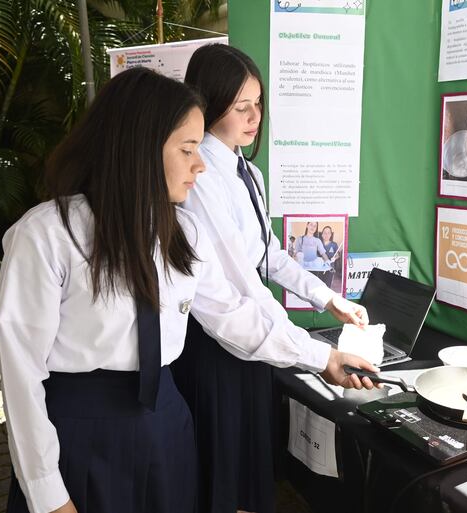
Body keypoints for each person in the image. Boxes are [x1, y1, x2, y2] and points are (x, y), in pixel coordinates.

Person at [0, 67, 377, 513]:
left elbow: (232, 314)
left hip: (166, 424)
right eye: (187, 149)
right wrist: (47, 494)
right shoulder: (46, 236)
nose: (200, 164)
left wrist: (324, 358)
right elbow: (20, 377)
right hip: (81, 434)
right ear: (138, 149)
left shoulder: (183, 232)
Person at [173, 44, 370, 513]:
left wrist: (328, 299)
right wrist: (317, 354)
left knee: (248, 473)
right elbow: (230, 293)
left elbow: (270, 255)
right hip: (216, 349)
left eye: (258, 103)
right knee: (221, 476)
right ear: (207, 103)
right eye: (241, 106)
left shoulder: (249, 173)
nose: (254, 116)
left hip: (255, 341)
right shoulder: (199, 179)